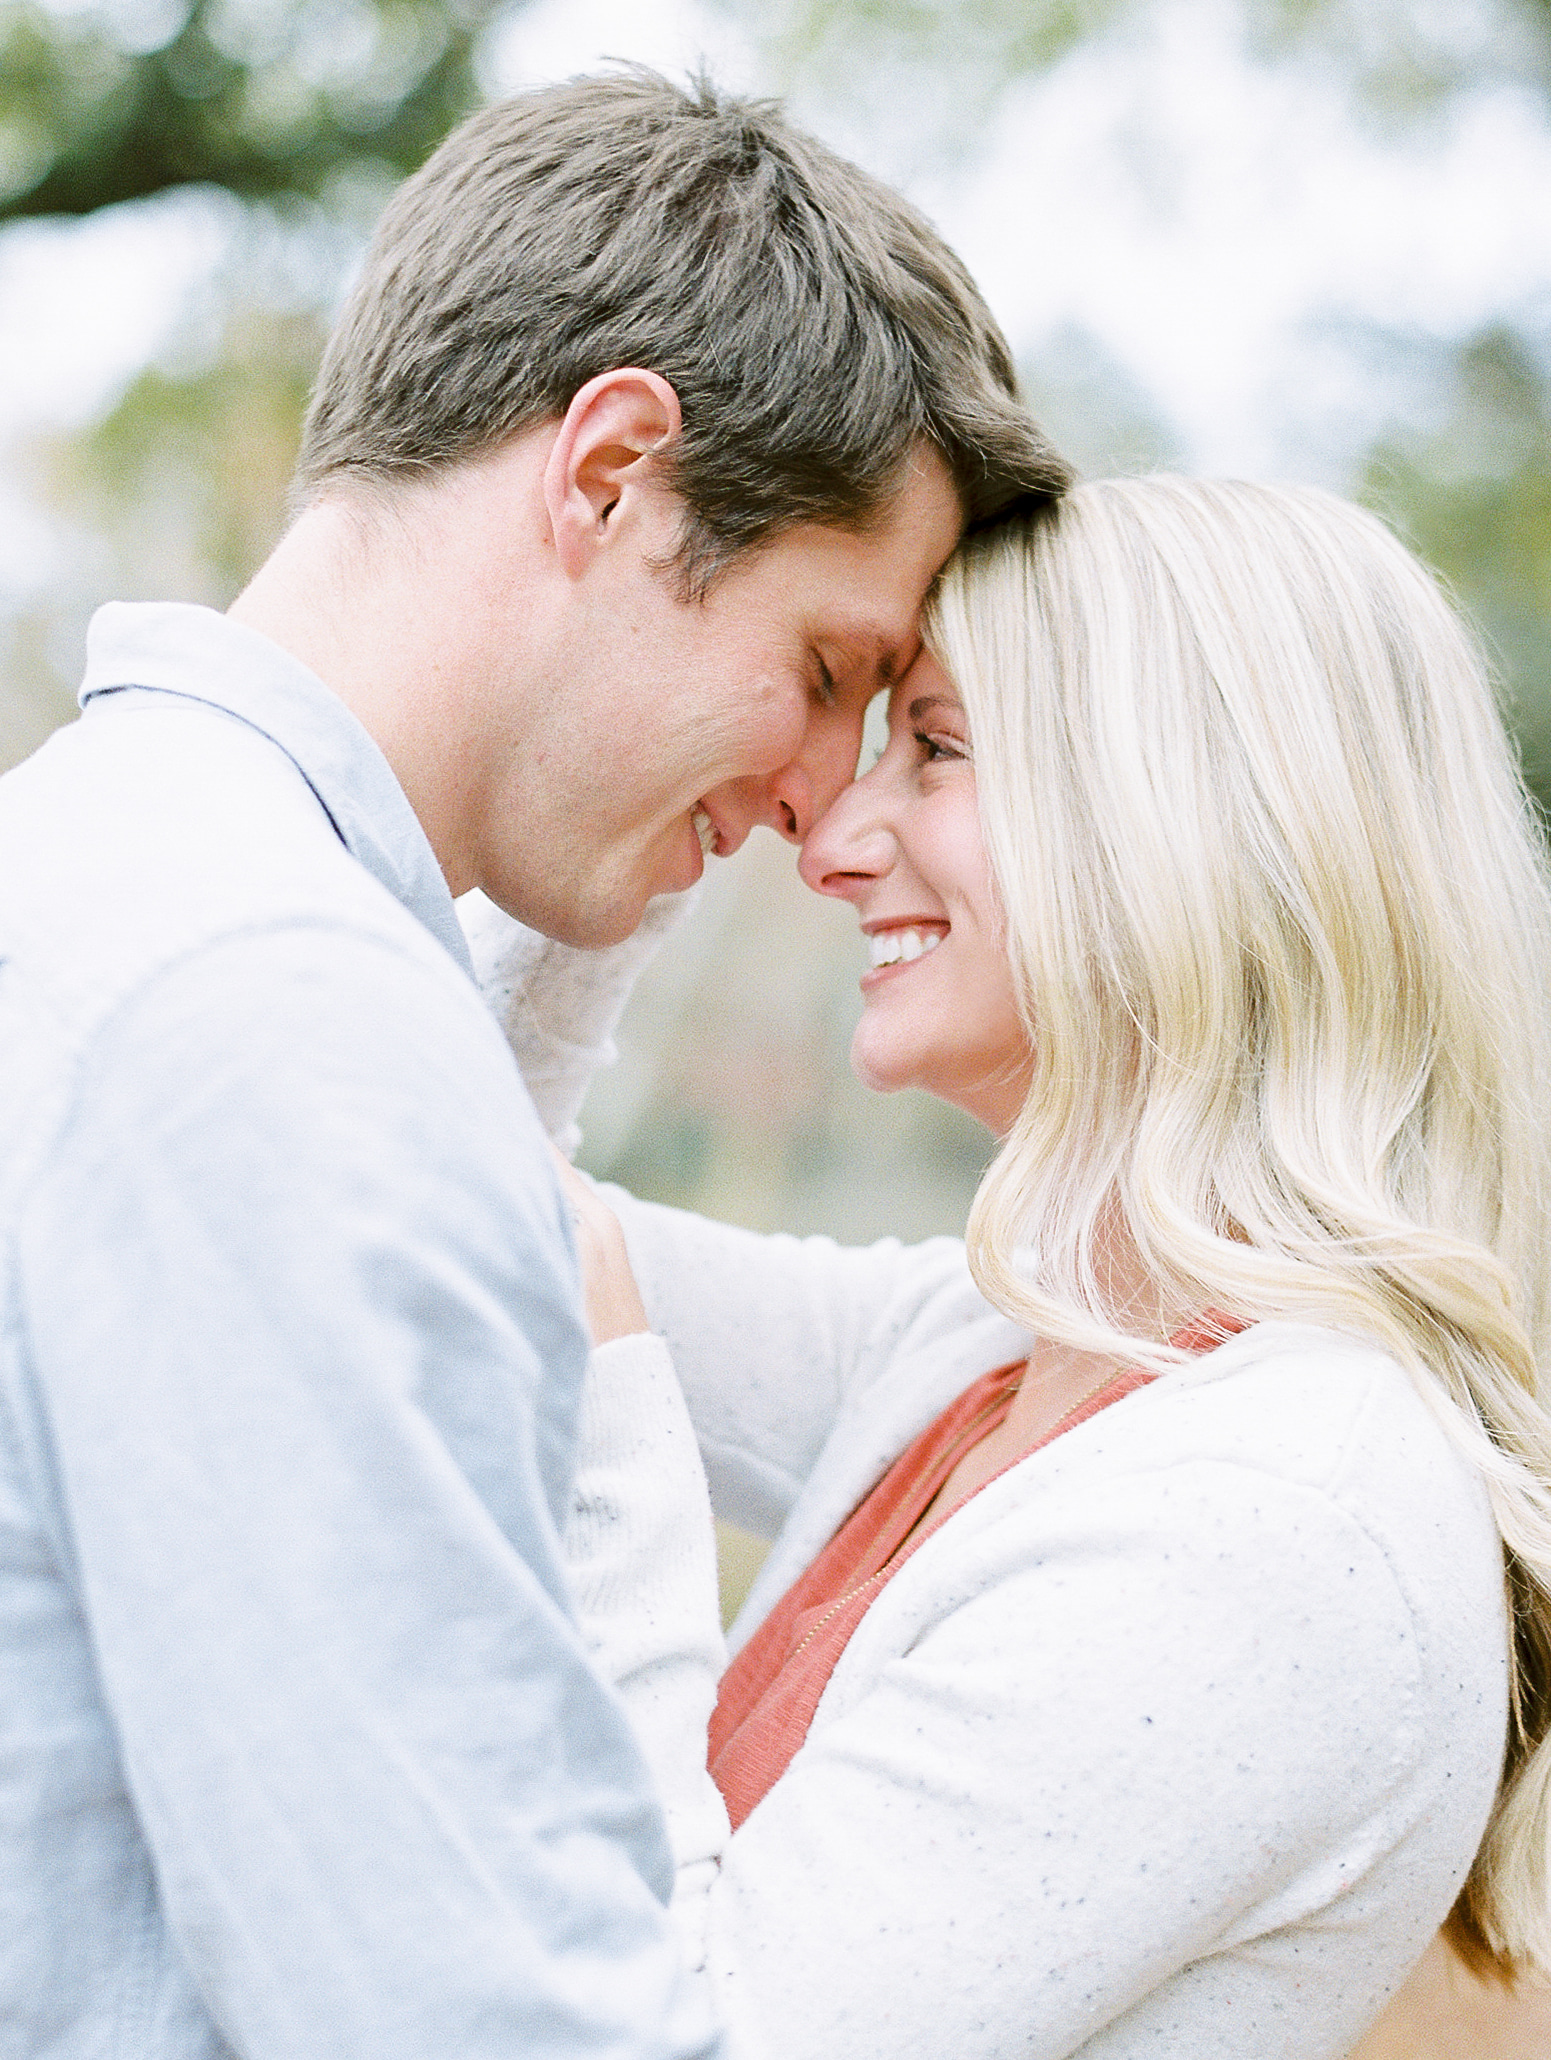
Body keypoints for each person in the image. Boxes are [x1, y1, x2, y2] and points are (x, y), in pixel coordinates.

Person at [0, 71, 1068, 2059]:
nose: (809, 804)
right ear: (607, 474)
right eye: (825, 675)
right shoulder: (287, 1035)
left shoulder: (100, 878)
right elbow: (473, 2018)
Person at [493, 476, 1551, 2058]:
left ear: (1181, 820)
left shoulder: (1277, 1522)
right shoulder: (1002, 1347)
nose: (831, 837)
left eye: (937, 746)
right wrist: (643, 799)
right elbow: (461, 1199)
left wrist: (612, 1438)